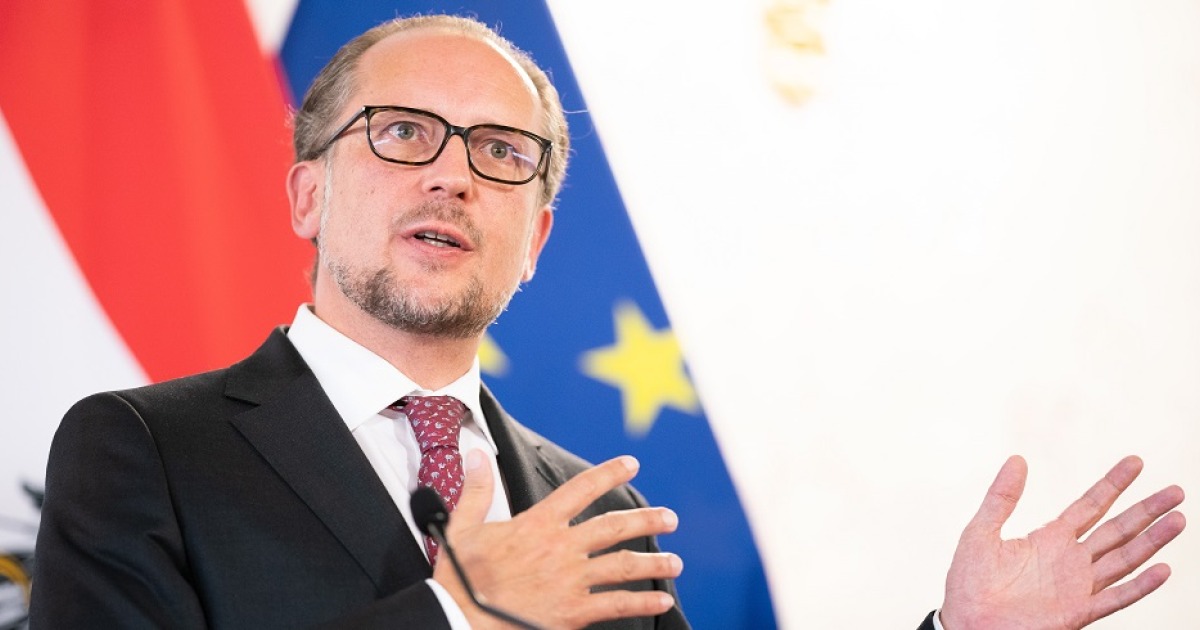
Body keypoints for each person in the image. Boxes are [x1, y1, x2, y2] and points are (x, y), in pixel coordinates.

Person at [29, 14, 1185, 630]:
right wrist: (457, 617)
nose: (452, 176)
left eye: (501, 153)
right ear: (305, 193)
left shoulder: (600, 511)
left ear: (535, 240)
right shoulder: (143, 451)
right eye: (401, 133)